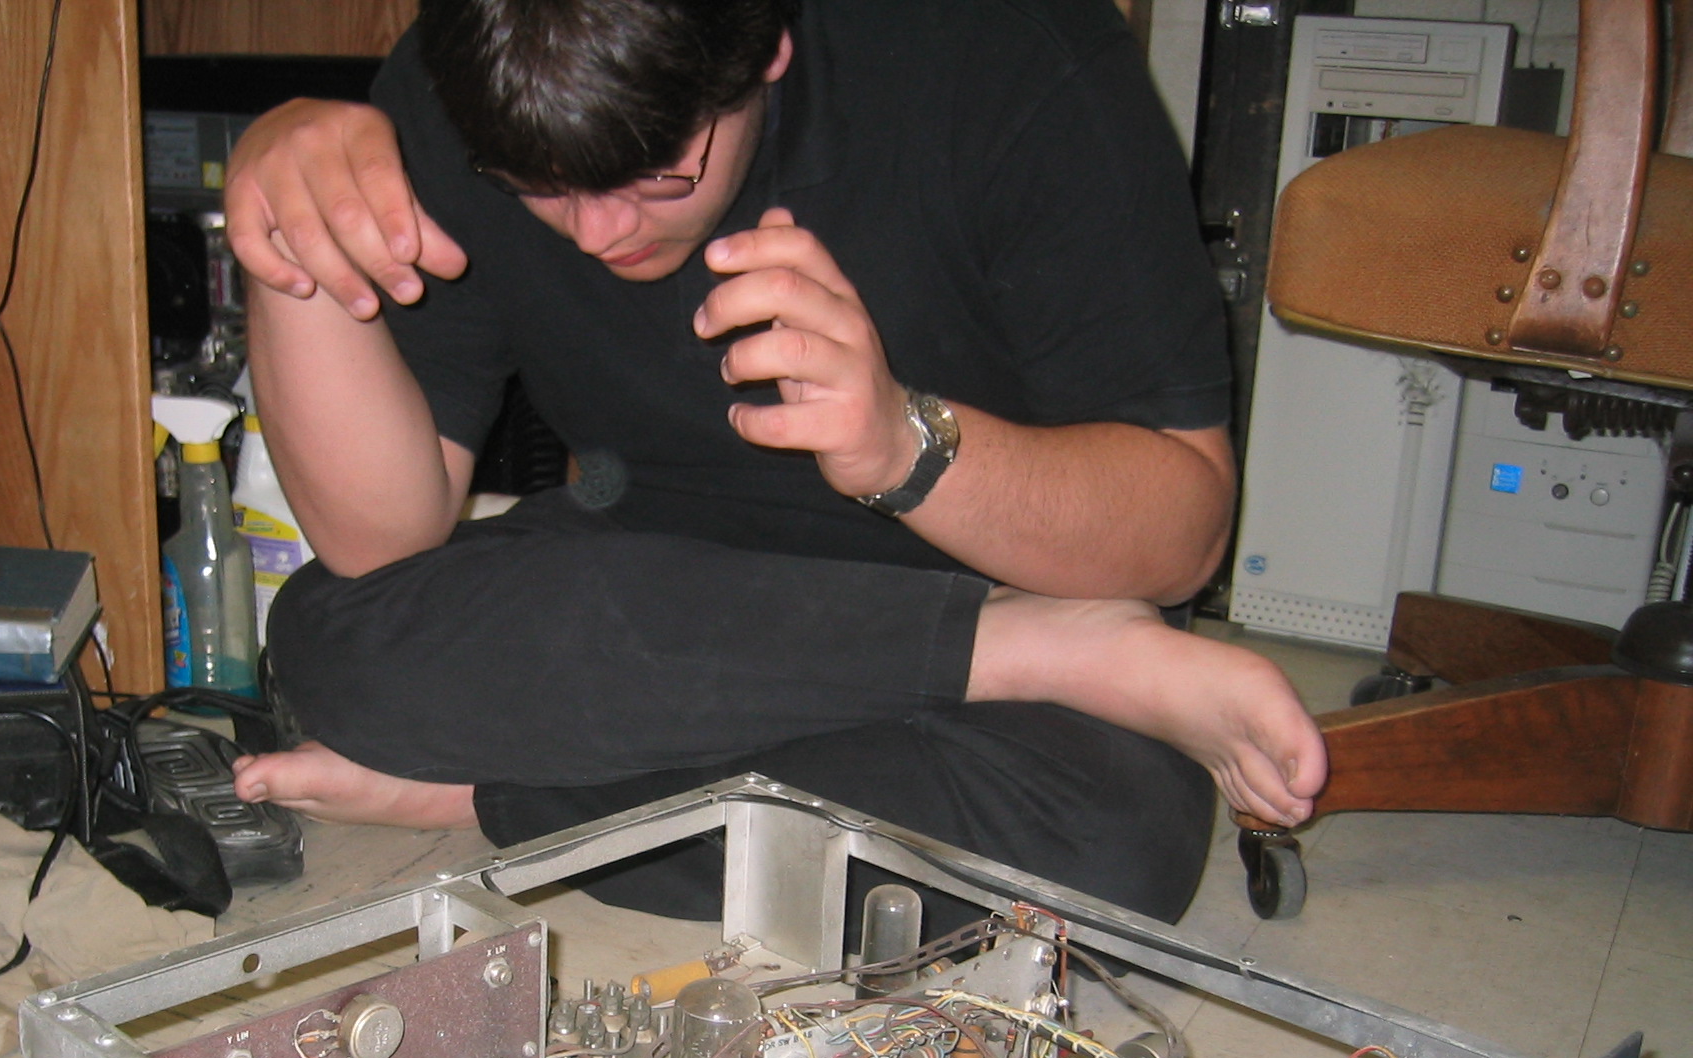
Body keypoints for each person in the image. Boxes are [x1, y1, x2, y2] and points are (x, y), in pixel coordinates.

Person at [222, 0, 1327, 922]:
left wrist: (903, 444)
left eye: (655, 171)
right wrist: (287, 236)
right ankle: (1033, 654)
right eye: (536, 184)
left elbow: (1180, 533)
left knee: (1106, 837)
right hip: (664, 593)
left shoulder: (1011, 50)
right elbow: (378, 542)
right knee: (338, 642)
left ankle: (501, 794)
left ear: (764, 51)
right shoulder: (478, 69)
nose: (598, 231)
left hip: (980, 569)